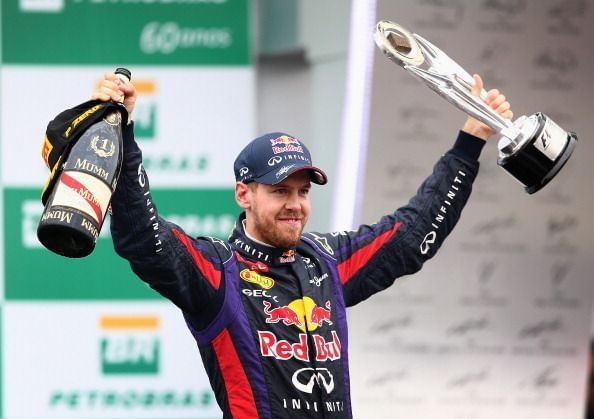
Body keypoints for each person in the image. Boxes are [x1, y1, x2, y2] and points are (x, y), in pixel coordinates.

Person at [93, 70, 512, 418]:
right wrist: (123, 134)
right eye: (280, 192)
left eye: (304, 191)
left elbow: (412, 235)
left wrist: (470, 140)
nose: (295, 205)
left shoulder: (327, 260)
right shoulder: (219, 271)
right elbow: (145, 241)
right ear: (244, 195)